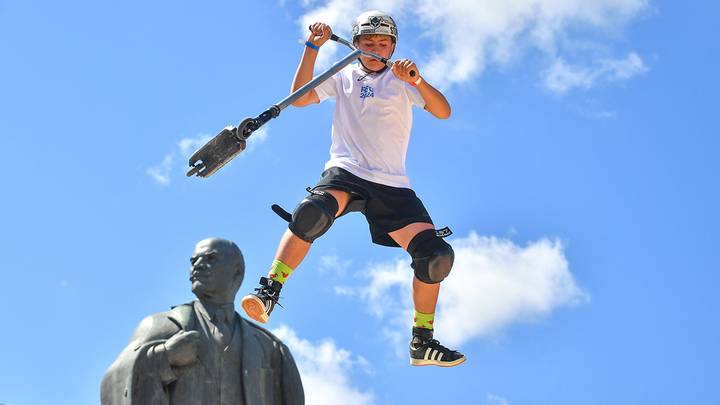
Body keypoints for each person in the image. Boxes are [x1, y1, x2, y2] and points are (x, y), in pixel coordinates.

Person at [241, 10, 465, 367]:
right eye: (367, 43)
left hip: (392, 185)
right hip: (346, 172)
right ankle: (270, 288)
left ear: (392, 47)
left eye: (382, 43)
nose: (375, 48)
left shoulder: (403, 80)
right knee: (311, 213)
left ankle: (422, 341)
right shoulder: (344, 75)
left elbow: (444, 111)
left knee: (436, 256)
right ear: (356, 45)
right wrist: (312, 49)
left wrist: (418, 81)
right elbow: (299, 98)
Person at [101, 238, 304, 405]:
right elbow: (113, 381)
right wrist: (163, 356)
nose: (197, 265)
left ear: (237, 272)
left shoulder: (271, 349)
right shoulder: (161, 325)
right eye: (193, 261)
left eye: (210, 258)